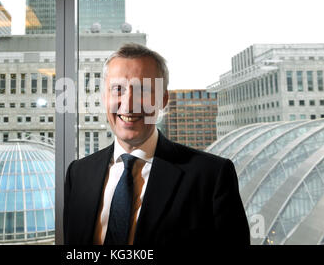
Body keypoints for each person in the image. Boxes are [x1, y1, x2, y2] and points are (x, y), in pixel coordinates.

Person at [63, 43, 250, 245]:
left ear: (163, 99)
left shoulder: (211, 176)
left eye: (142, 90)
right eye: (118, 89)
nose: (128, 104)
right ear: (104, 97)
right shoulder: (78, 174)